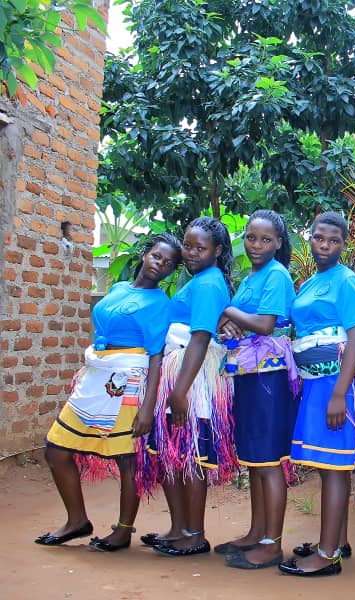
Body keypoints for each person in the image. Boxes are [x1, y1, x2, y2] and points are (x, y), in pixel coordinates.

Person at [36, 234, 181, 551]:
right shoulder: (118, 289)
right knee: (56, 449)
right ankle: (77, 521)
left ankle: (122, 531)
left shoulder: (160, 304)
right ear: (145, 254)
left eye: (169, 263)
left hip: (127, 381)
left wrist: (147, 408)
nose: (161, 264)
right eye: (157, 256)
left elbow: (156, 356)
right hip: (96, 375)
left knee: (126, 459)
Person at [278, 211, 355, 578]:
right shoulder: (311, 283)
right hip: (314, 383)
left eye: (334, 240)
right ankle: (336, 540)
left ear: (343, 245)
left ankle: (327, 554)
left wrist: (340, 393)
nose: (325, 245)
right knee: (328, 466)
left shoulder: (346, 281)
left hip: (336, 383)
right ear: (311, 238)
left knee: (334, 467)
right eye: (320, 238)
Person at [213, 210, 299, 569]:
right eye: (251, 238)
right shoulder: (251, 277)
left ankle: (271, 543)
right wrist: (229, 323)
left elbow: (264, 324)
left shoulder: (276, 275)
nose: (256, 246)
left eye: (266, 240)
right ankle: (255, 532)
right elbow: (228, 323)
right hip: (248, 372)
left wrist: (231, 311)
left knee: (268, 461)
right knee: (253, 459)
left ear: (279, 243)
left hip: (269, 377)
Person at [147, 216, 236, 557]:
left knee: (190, 455)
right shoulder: (199, 280)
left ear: (217, 250)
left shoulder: (209, 283)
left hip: (191, 375)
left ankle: (194, 534)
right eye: (188, 245)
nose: (192, 253)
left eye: (201, 247)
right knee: (173, 452)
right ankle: (178, 528)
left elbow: (200, 337)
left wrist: (180, 391)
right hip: (180, 370)